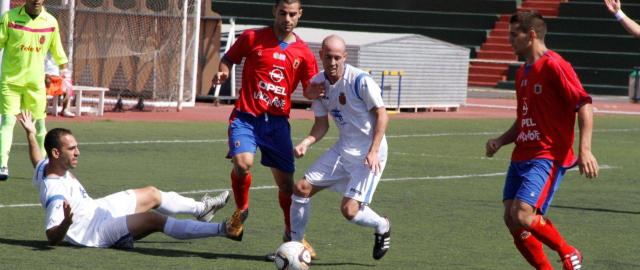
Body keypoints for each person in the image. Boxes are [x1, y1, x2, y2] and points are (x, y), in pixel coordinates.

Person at [17, 110, 234, 248]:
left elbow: (38, 160)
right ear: (56, 153)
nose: (78, 152)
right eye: (71, 148)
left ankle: (201, 209)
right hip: (94, 232)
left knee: (152, 193)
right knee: (154, 219)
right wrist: (66, 222)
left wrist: (29, 133)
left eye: (77, 147)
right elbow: (51, 237)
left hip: (98, 209)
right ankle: (223, 229)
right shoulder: (56, 192)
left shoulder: (49, 167)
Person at [485, 11, 599, 270]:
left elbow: (583, 104)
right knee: (511, 219)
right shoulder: (522, 74)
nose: (510, 40)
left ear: (532, 35)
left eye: (515, 35)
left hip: (547, 154)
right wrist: (501, 140)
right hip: (521, 154)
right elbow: (523, 118)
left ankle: (568, 251)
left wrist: (585, 149)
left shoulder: (555, 65)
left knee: (524, 214)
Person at [210, 0, 319, 256]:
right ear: (274, 11)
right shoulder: (252, 38)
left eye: (292, 14)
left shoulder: (303, 53)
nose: (287, 19)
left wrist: (319, 90)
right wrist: (223, 72)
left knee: (286, 185)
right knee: (242, 163)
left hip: (277, 124)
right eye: (283, 13)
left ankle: (293, 235)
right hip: (246, 117)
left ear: (300, 15)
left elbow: (310, 88)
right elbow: (228, 59)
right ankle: (241, 211)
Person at [288, 35, 391, 260]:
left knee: (349, 211)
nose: (333, 62)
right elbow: (321, 125)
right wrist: (306, 142)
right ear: (321, 55)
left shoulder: (360, 81)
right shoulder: (317, 84)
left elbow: (382, 116)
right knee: (301, 189)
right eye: (328, 57)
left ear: (344, 57)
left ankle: (382, 225)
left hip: (369, 154)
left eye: (337, 57)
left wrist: (373, 151)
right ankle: (295, 245)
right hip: (343, 149)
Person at [0, 0, 69, 180]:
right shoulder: (10, 17)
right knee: (7, 121)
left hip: (36, 84)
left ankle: (43, 166)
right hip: (11, 81)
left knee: (40, 125)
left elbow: (57, 49)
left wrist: (65, 73)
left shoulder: (50, 22)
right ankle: (2, 165)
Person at [45, 53, 75, 117]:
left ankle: (64, 110)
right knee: (43, 91)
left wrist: (63, 75)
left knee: (67, 89)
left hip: (57, 78)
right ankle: (42, 110)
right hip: (45, 77)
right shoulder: (41, 49)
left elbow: (63, 66)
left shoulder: (58, 51)